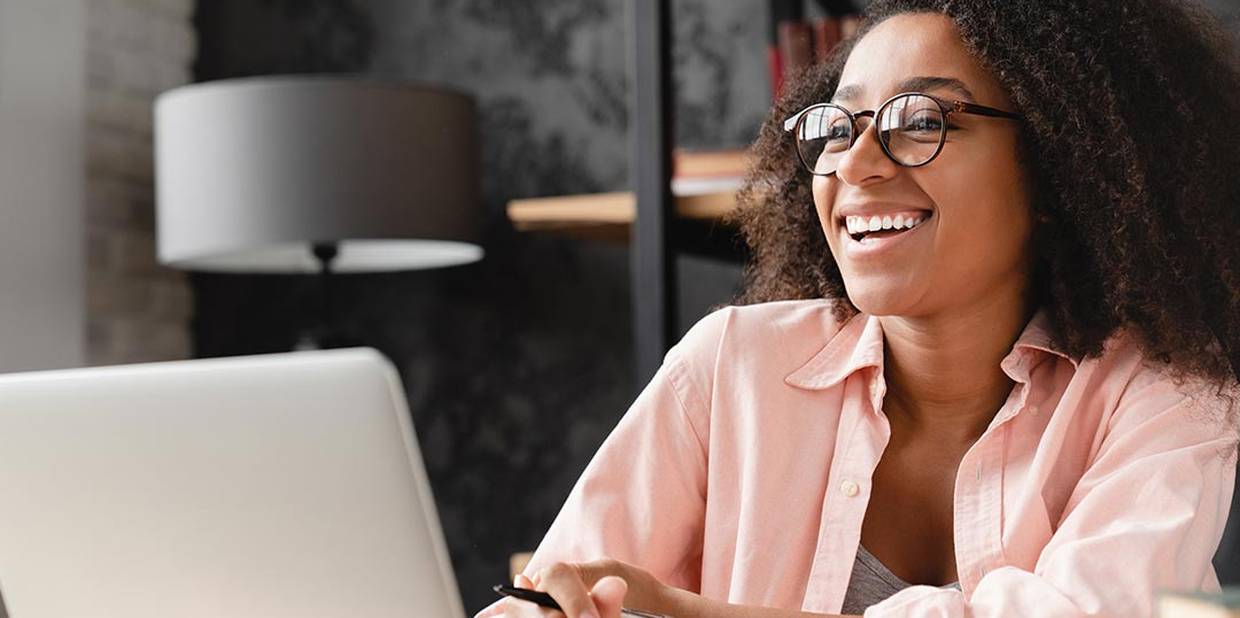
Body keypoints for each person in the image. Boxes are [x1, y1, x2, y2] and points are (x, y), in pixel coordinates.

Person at [478, 0, 1240, 616]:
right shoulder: (730, 365)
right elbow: (552, 600)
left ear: (1059, 165)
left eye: (923, 121)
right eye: (836, 128)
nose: (856, 163)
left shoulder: (1167, 392)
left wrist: (690, 614)